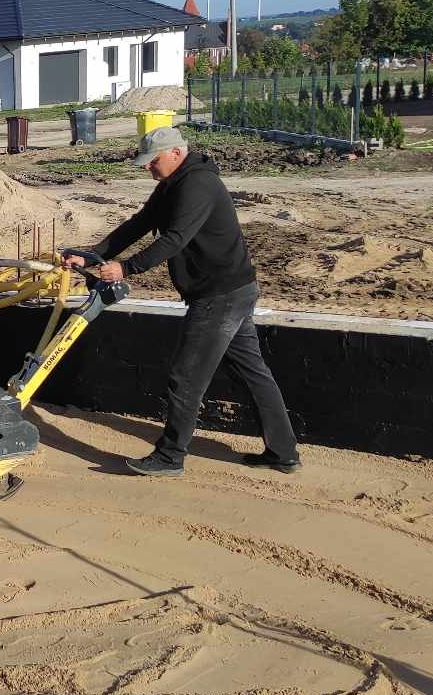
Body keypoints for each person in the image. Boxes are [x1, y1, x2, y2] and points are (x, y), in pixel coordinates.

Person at [65, 126, 300, 477]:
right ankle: (283, 452)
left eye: (153, 161)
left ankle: (170, 456)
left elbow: (174, 239)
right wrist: (93, 255)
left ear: (176, 153)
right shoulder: (172, 185)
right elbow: (139, 224)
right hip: (230, 290)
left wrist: (126, 268)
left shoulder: (197, 185)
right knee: (252, 373)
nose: (148, 168)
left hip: (219, 296)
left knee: (186, 377)